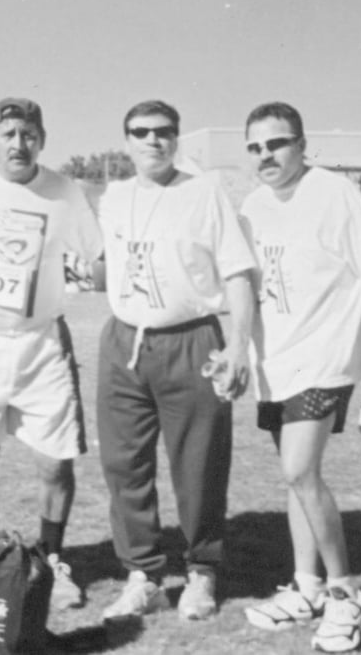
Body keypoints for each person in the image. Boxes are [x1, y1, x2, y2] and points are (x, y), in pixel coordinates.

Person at [240, 102, 361, 653]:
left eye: (277, 144)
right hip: (275, 361)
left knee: (299, 469)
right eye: (256, 147)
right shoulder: (253, 206)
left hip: (326, 356)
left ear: (302, 145)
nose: (266, 155)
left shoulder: (337, 195)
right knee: (294, 479)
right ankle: (305, 587)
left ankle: (343, 593)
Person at [95, 100, 256, 622]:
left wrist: (237, 345)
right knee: (124, 464)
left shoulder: (202, 191)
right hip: (125, 341)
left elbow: (237, 271)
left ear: (176, 138)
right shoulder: (113, 198)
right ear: (126, 141)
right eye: (140, 133)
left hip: (190, 340)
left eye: (163, 132)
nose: (152, 141)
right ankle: (142, 574)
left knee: (198, 465)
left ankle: (201, 571)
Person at [0, 98, 103, 611]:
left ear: (42, 139)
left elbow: (98, 256)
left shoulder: (63, 190)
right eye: (8, 133)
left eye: (28, 134)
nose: (18, 143)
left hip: (42, 343)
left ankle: (52, 561)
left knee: (55, 464)